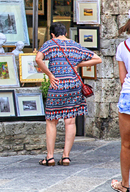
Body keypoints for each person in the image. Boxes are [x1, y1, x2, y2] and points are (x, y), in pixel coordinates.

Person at [35, 22, 102, 167]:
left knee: (51, 121)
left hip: (57, 85)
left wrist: (50, 75)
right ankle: (66, 157)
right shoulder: (75, 45)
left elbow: (38, 58)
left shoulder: (50, 44)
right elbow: (97, 59)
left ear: (52, 34)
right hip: (73, 85)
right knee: (70, 121)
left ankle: (50, 157)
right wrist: (79, 65)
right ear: (65, 33)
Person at [111, 12, 130, 192]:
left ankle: (124, 184)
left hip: (128, 96)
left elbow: (122, 79)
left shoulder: (122, 46)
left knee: (126, 144)